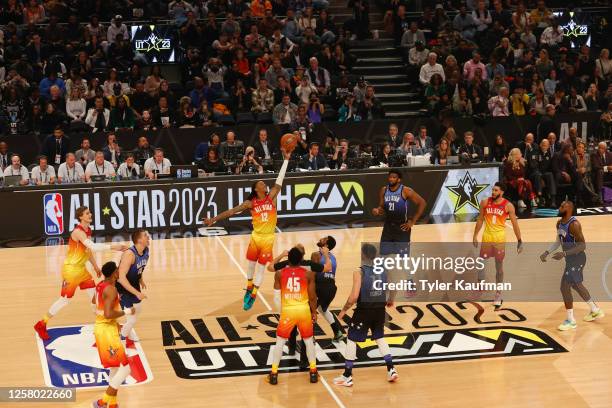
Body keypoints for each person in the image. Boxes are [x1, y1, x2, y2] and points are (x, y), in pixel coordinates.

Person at [204, 149, 291, 310]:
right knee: (251, 265)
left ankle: (252, 295)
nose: (264, 184)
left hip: (267, 239)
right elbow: (231, 211)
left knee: (260, 268)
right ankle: (249, 286)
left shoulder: (271, 196)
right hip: (256, 237)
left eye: (264, 183)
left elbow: (279, 182)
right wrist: (213, 220)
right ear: (256, 189)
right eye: (261, 184)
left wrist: (286, 160)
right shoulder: (250, 203)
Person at [34, 207, 126, 341]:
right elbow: (93, 246)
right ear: (80, 217)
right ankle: (41, 324)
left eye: (90, 212)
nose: (90, 214)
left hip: (82, 270)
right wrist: (113, 247)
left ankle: (111, 325)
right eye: (87, 213)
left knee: (96, 298)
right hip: (71, 271)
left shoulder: (88, 230)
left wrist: (95, 266)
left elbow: (88, 251)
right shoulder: (78, 232)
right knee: (65, 300)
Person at [334, 243, 398, 387]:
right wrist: (391, 300)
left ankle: (347, 375)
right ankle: (391, 369)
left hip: (364, 310)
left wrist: (344, 310)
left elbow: (354, 296)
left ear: (363, 255)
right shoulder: (384, 269)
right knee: (380, 337)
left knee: (351, 338)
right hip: (380, 309)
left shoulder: (359, 271)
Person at [540, 201, 604, 331]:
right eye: (560, 205)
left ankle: (571, 320)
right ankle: (595, 309)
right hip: (570, 259)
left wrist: (564, 253)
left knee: (564, 287)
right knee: (576, 285)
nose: (559, 207)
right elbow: (558, 241)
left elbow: (582, 245)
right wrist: (547, 252)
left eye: (562, 206)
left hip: (578, 258)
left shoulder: (574, 224)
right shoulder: (559, 223)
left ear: (569, 209)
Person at [268, 247, 319, 385]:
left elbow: (277, 297)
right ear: (301, 259)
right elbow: (313, 297)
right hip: (303, 310)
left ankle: (273, 373)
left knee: (280, 342)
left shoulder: (279, 273)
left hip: (288, 311)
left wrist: (281, 311)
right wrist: (313, 312)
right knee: (308, 341)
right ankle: (313, 371)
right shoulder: (308, 274)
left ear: (288, 259)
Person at [472, 182, 522, 310]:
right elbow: (480, 219)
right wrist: (475, 235)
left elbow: (515, 224)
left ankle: (498, 294)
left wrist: (519, 240)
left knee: (499, 268)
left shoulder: (508, 206)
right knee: (480, 263)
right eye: (492, 190)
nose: (493, 192)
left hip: (499, 240)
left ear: (502, 192)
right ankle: (480, 286)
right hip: (487, 238)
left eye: (496, 190)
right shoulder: (484, 202)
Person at [91, 261, 133, 408]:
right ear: (114, 273)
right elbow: (108, 314)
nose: (119, 272)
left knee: (115, 368)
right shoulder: (111, 289)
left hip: (104, 328)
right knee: (126, 368)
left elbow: (93, 304)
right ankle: (102, 402)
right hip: (106, 330)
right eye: (117, 270)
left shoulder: (100, 285)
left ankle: (113, 403)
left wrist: (102, 315)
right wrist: (126, 312)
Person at [372, 170, 426, 256]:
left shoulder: (406, 190)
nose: (391, 179)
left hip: (402, 227)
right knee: (383, 254)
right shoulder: (384, 190)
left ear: (399, 180)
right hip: (388, 227)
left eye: (394, 177)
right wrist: (377, 210)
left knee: (403, 256)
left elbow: (422, 203)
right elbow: (381, 206)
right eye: (390, 177)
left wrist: (412, 221)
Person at [116, 229, 149, 347]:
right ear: (139, 240)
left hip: (133, 285)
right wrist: (137, 293)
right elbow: (121, 278)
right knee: (132, 318)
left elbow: (140, 268)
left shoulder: (146, 251)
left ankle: (128, 331)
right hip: (122, 288)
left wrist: (141, 279)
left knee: (138, 309)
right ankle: (122, 338)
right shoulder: (129, 254)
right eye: (145, 235)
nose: (148, 237)